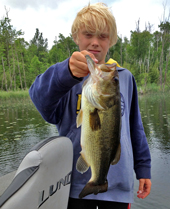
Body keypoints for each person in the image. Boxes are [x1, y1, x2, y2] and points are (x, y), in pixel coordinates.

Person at [29, 2, 151, 209]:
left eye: (103, 36)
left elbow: (135, 128)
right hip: (73, 186)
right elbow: (40, 100)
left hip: (118, 189)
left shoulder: (124, 78)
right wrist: (65, 73)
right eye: (88, 34)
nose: (95, 42)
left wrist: (143, 167)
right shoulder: (64, 79)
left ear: (111, 41)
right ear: (76, 37)